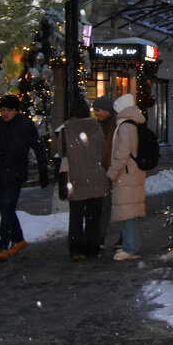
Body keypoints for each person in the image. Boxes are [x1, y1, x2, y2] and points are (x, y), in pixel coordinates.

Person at [0, 93, 49, 261]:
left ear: (16, 111)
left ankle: (2, 245)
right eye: (3, 110)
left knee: (8, 207)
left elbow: (38, 149)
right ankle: (18, 239)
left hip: (16, 173)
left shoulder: (24, 125)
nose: (5, 113)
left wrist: (43, 170)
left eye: (9, 110)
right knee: (5, 208)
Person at [57, 93, 108, 260]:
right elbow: (103, 149)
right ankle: (92, 247)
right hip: (96, 177)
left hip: (76, 177)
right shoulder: (96, 127)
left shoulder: (65, 130)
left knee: (76, 214)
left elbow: (59, 151)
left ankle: (76, 249)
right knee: (94, 214)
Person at [107, 94, 147, 261]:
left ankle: (130, 247)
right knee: (131, 210)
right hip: (134, 173)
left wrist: (113, 172)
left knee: (127, 212)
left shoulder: (125, 127)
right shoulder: (134, 124)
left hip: (126, 174)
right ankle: (130, 245)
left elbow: (122, 153)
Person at [92, 95, 117, 248]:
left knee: (109, 206)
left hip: (110, 171)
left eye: (98, 110)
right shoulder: (98, 126)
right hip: (101, 171)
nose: (96, 113)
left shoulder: (114, 127)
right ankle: (99, 237)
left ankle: (102, 237)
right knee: (104, 206)